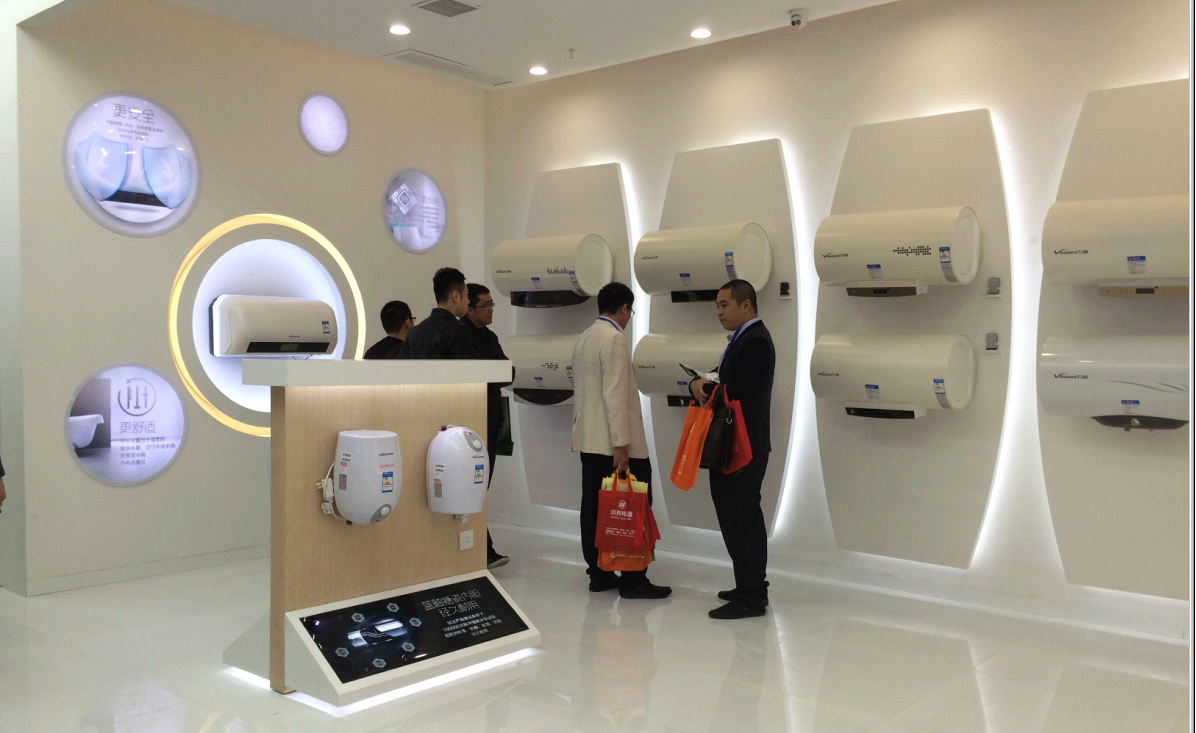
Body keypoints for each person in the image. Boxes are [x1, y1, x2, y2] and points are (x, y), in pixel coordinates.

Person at [572, 282, 671, 600]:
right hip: (615, 446)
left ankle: (599, 573)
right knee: (633, 506)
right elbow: (614, 394)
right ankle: (633, 579)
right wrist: (621, 444)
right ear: (625, 308)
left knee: (593, 508)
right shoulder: (614, 339)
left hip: (589, 442)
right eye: (631, 311)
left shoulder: (585, 337)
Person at [688, 279, 774, 619]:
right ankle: (747, 585)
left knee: (743, 517)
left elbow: (736, 391)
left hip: (744, 445)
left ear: (746, 305)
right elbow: (727, 382)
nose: (720, 312)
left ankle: (752, 596)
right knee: (734, 514)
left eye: (725, 305)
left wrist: (702, 387)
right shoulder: (743, 339)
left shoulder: (756, 341)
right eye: (717, 306)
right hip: (735, 443)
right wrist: (701, 382)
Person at [463, 283, 514, 570]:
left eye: (493, 304)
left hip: (490, 420)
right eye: (486, 305)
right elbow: (478, 374)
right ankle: (481, 550)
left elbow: (508, 371)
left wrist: (492, 374)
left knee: (481, 486)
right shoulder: (461, 336)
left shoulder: (490, 337)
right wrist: (492, 373)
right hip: (469, 420)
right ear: (469, 308)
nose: (492, 309)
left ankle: (482, 549)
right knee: (472, 485)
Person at [399, 268, 479, 360]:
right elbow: (463, 368)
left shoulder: (415, 332)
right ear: (456, 296)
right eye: (467, 295)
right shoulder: (459, 331)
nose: (468, 301)